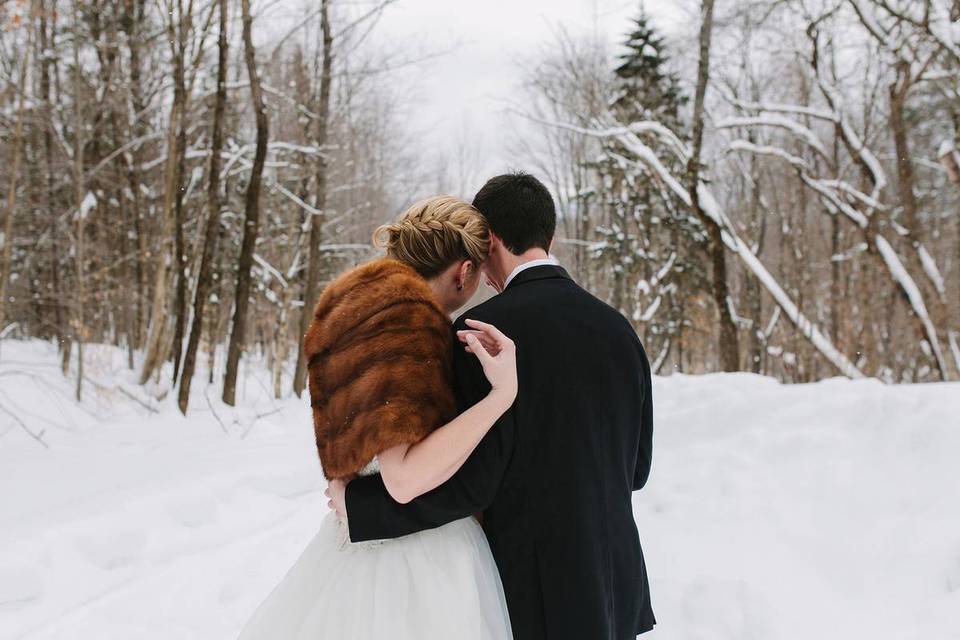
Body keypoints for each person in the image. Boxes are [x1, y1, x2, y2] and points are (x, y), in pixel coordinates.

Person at [330, 172, 656, 639]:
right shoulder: (619, 330)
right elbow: (637, 470)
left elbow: (472, 482)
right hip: (613, 583)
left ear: (492, 241)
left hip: (532, 584)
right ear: (551, 236)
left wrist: (362, 506)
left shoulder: (481, 332)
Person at [238, 196, 515, 640]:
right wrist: (499, 397)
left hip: (352, 543)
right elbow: (402, 477)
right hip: (417, 558)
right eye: (481, 272)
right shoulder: (411, 322)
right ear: (463, 271)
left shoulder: (349, 312)